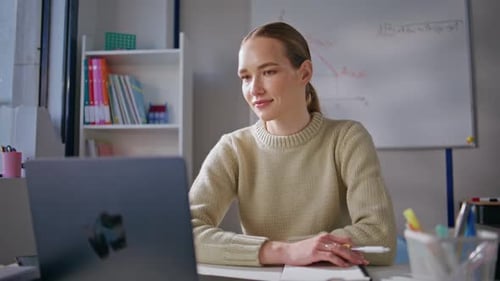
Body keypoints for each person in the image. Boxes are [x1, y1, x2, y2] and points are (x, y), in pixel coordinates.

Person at [189, 21, 396, 267]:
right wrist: (283, 252)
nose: (254, 89)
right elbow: (185, 233)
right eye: (245, 77)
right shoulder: (233, 148)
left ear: (304, 73)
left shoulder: (347, 138)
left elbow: (380, 237)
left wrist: (305, 250)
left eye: (268, 72)